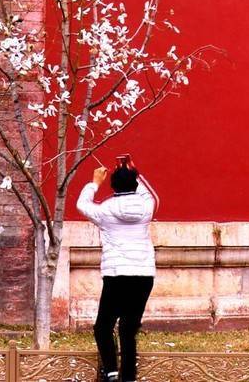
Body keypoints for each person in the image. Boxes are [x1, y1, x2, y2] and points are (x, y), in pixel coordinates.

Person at [76, 157, 159, 382]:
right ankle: (129, 377)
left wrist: (94, 182)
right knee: (128, 328)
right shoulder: (146, 207)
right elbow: (150, 194)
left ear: (113, 186)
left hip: (117, 274)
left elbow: (82, 205)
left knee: (103, 326)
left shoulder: (106, 209)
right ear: (135, 184)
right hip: (143, 275)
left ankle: (111, 372)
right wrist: (131, 169)